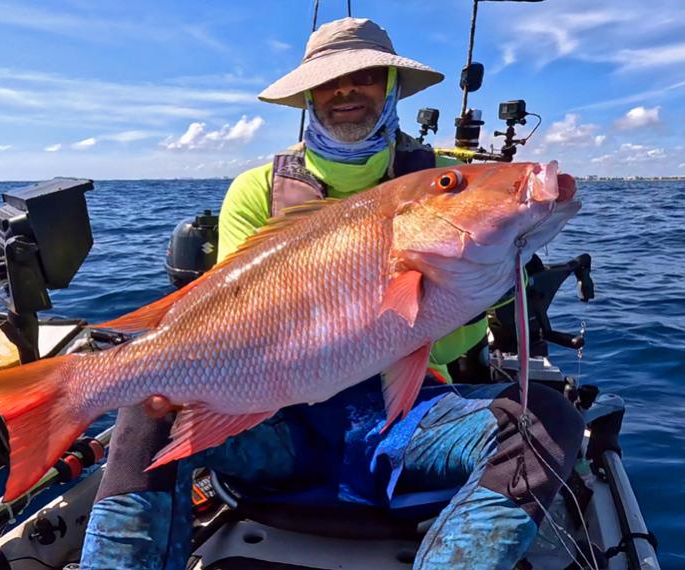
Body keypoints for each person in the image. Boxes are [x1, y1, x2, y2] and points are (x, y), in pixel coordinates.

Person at [81, 18, 583, 570]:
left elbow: (437, 349)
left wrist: (489, 265)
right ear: (309, 96)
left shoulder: (442, 177)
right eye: (329, 81)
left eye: (366, 76)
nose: (346, 90)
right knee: (145, 409)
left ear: (390, 87)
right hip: (280, 429)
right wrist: (186, 380)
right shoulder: (257, 191)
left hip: (407, 426)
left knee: (548, 420)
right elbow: (226, 317)